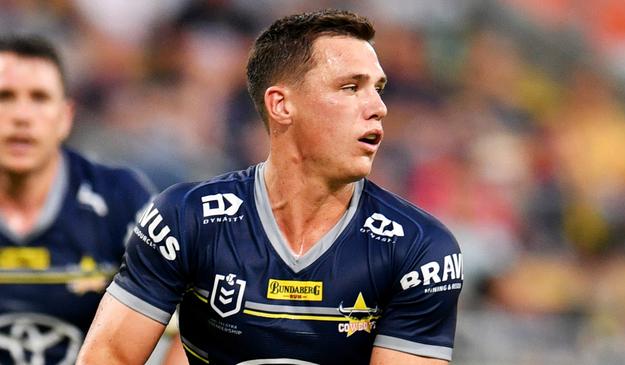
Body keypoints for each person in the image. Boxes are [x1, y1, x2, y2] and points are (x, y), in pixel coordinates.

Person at [77, 9, 464, 365]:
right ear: (281, 105)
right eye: (350, 87)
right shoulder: (184, 219)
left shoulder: (419, 248)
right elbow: (108, 356)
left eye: (377, 88)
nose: (378, 107)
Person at [0, 35, 156, 364]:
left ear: (65, 116)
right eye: (5, 97)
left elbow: (186, 329)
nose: (22, 116)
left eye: (39, 98)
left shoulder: (121, 199)